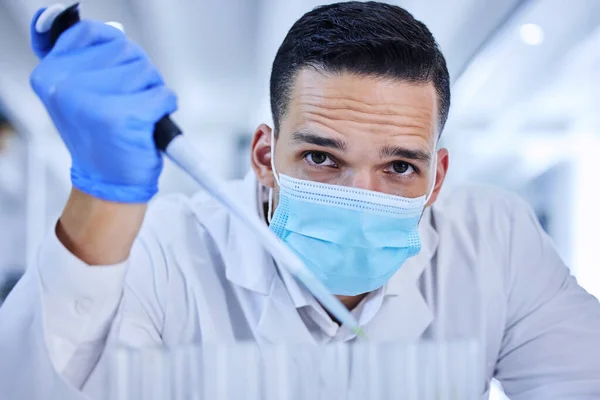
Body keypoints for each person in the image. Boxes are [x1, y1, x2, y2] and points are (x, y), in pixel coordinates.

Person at [1, 2, 599, 399]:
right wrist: (99, 194)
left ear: (436, 177)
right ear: (266, 157)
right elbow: (37, 385)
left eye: (398, 167)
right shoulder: (167, 249)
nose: (360, 197)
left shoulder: (496, 242)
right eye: (321, 158)